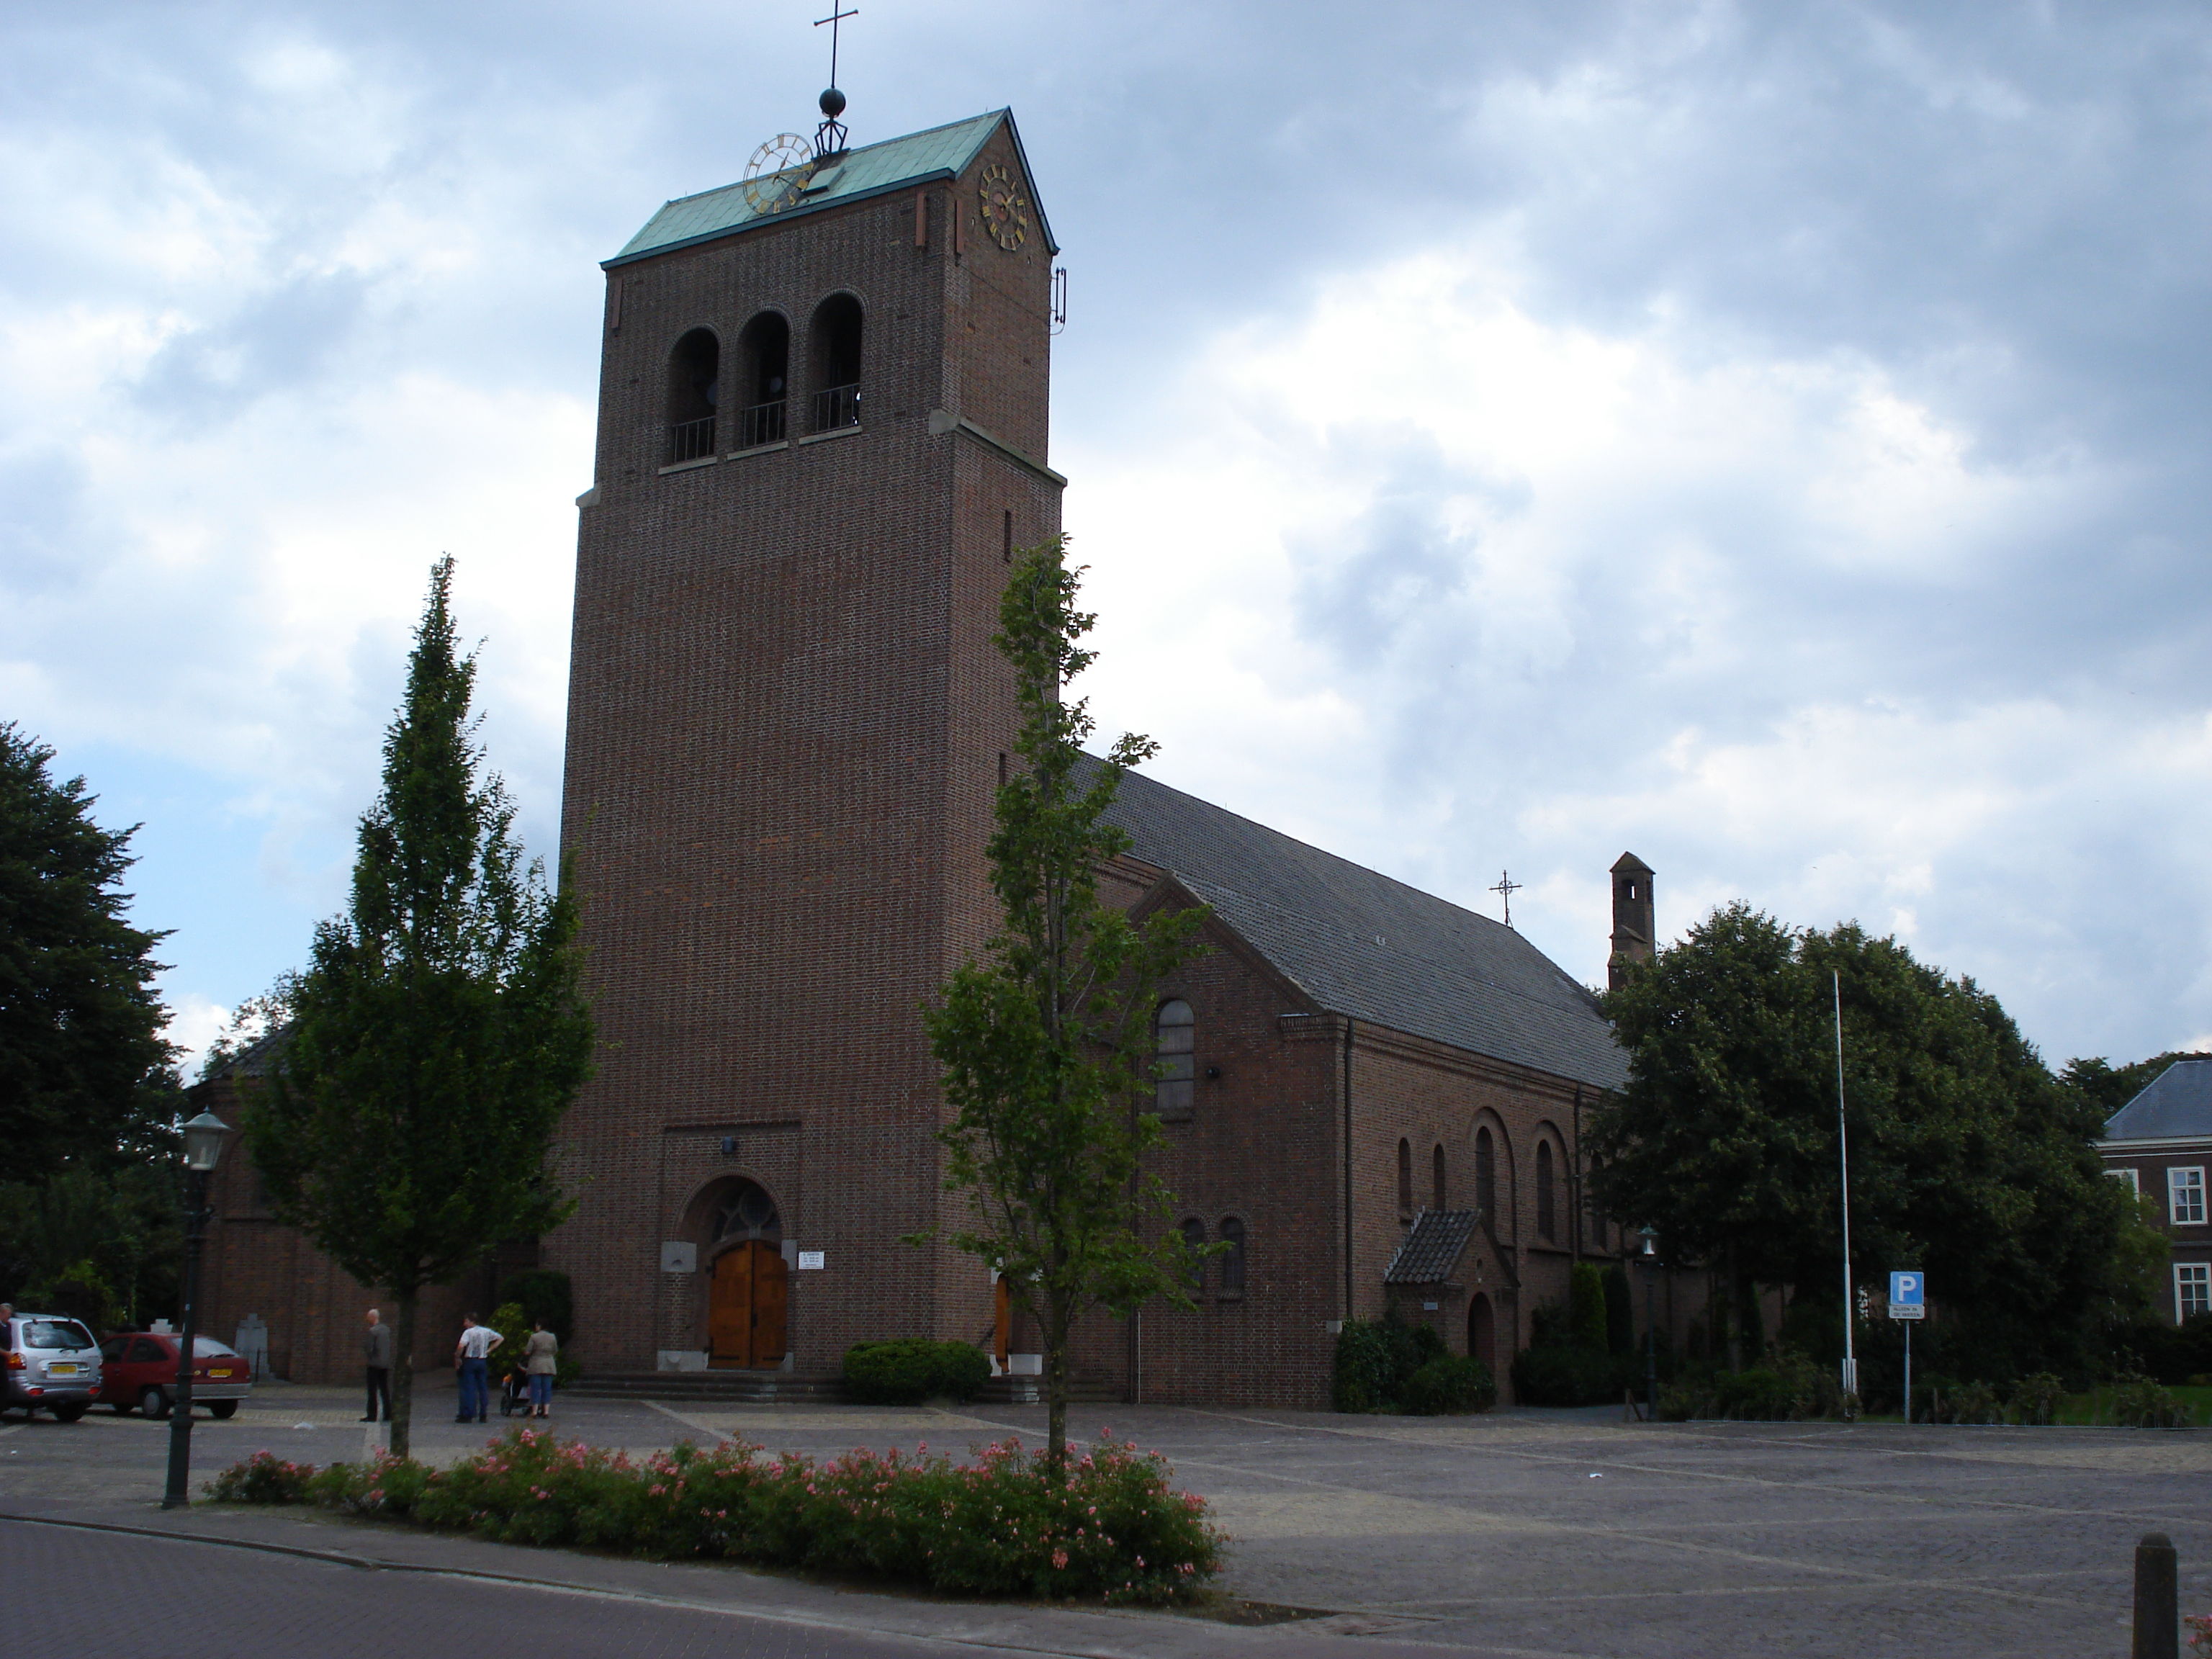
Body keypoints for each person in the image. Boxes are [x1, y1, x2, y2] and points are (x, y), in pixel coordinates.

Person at [453, 1313, 502, 1424]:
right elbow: (500, 1338)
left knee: (469, 1387)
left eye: (466, 1321)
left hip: (470, 1360)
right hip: (482, 1360)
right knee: (483, 1388)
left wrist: (457, 1356)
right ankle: (483, 1413)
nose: (464, 1324)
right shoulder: (486, 1331)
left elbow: (461, 1346)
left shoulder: (468, 1332)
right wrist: (489, 1350)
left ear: (471, 1321)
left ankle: (468, 1414)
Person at [521, 1320, 559, 1419]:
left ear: (539, 1326)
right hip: (549, 1365)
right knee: (547, 1389)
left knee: (536, 1389)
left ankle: (534, 1411)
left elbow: (528, 1352)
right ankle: (546, 1411)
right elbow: (555, 1350)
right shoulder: (552, 1337)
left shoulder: (534, 1337)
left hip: (536, 1365)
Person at [361, 1308, 393, 1422]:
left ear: (372, 1317)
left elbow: (369, 1348)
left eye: (368, 1317)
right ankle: (388, 1414)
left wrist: (369, 1356)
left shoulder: (372, 1331)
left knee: (372, 1391)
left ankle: (372, 1415)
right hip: (384, 1364)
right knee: (385, 1390)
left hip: (374, 1364)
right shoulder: (386, 1330)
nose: (367, 1319)